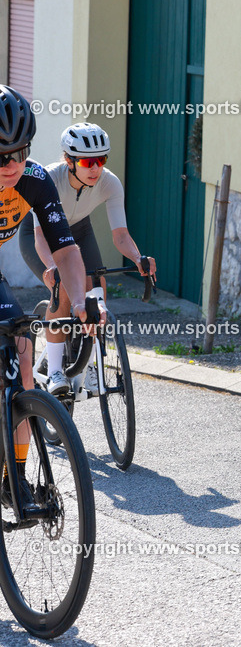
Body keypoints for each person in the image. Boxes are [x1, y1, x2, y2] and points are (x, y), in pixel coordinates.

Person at [0, 85, 105, 506]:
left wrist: (79, 303)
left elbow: (65, 247)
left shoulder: (35, 180)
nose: (14, 164)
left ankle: (16, 478)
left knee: (23, 349)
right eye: (3, 155)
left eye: (22, 151)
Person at [19, 122, 156, 393]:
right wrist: (51, 267)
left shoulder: (109, 182)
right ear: (69, 161)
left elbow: (120, 236)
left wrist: (139, 259)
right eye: (87, 161)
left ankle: (92, 365)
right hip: (42, 235)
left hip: (80, 231)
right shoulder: (48, 180)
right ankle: (56, 371)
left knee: (98, 290)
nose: (95, 168)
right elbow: (40, 238)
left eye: (101, 160)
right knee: (65, 288)